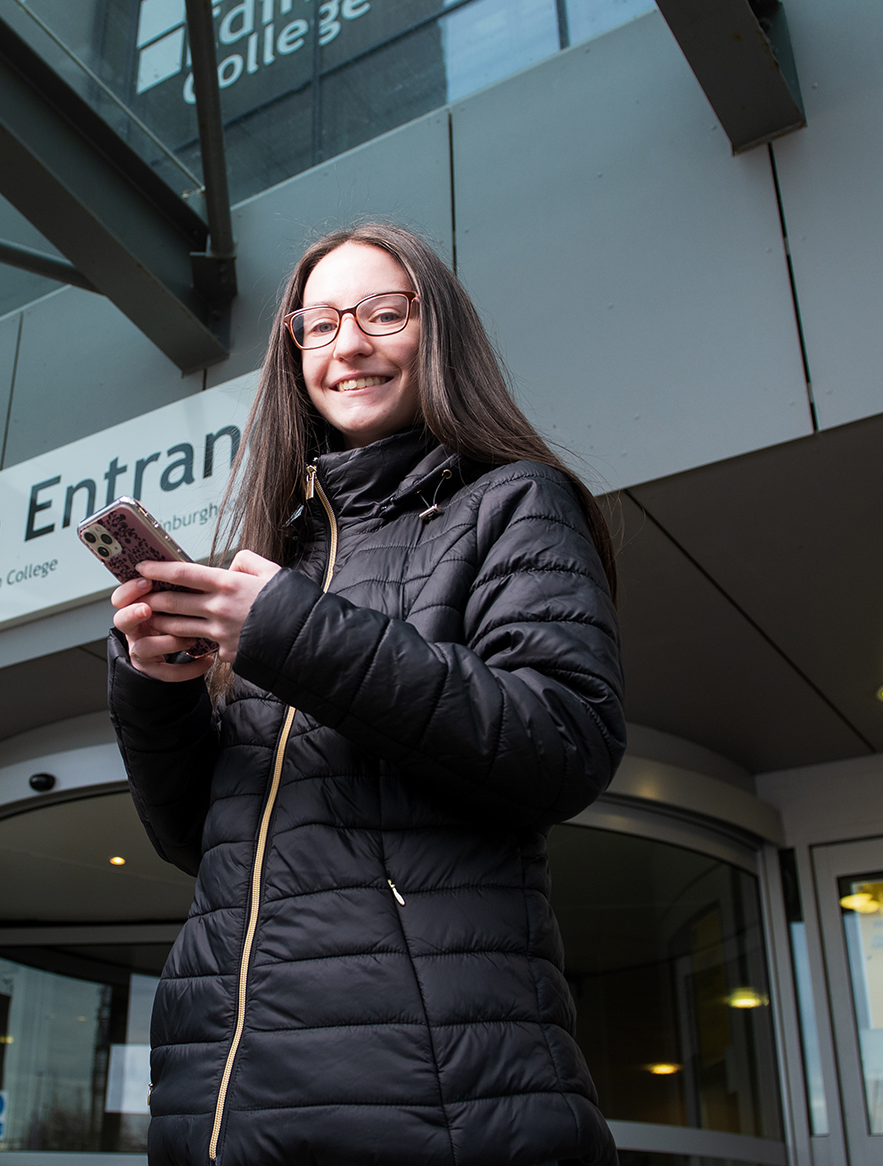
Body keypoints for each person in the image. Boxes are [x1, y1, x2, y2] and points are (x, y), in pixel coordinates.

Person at [107, 221, 624, 1166]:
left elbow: (564, 742)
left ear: (440, 334)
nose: (349, 344)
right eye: (318, 323)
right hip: (217, 1101)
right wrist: (158, 685)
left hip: (424, 1101)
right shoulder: (283, 555)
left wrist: (288, 633)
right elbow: (196, 842)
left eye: (385, 312)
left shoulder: (514, 502)